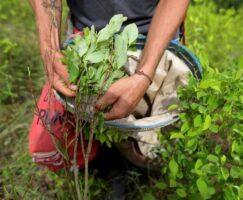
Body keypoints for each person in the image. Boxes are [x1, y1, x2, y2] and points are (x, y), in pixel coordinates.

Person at [28, 0, 189, 173]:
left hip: (154, 37)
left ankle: (134, 160)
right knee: (47, 147)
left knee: (159, 144)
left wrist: (144, 74)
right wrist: (49, 49)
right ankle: (105, 159)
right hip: (88, 37)